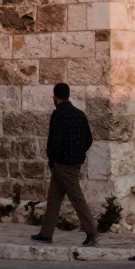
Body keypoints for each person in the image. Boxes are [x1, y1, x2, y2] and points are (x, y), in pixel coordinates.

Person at [31, 82, 99, 247]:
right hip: (75, 162)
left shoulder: (58, 115)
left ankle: (91, 231)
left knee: (76, 198)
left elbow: (53, 141)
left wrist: (52, 160)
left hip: (62, 164)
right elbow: (88, 139)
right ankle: (46, 233)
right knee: (54, 197)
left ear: (55, 97)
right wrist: (79, 152)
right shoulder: (80, 114)